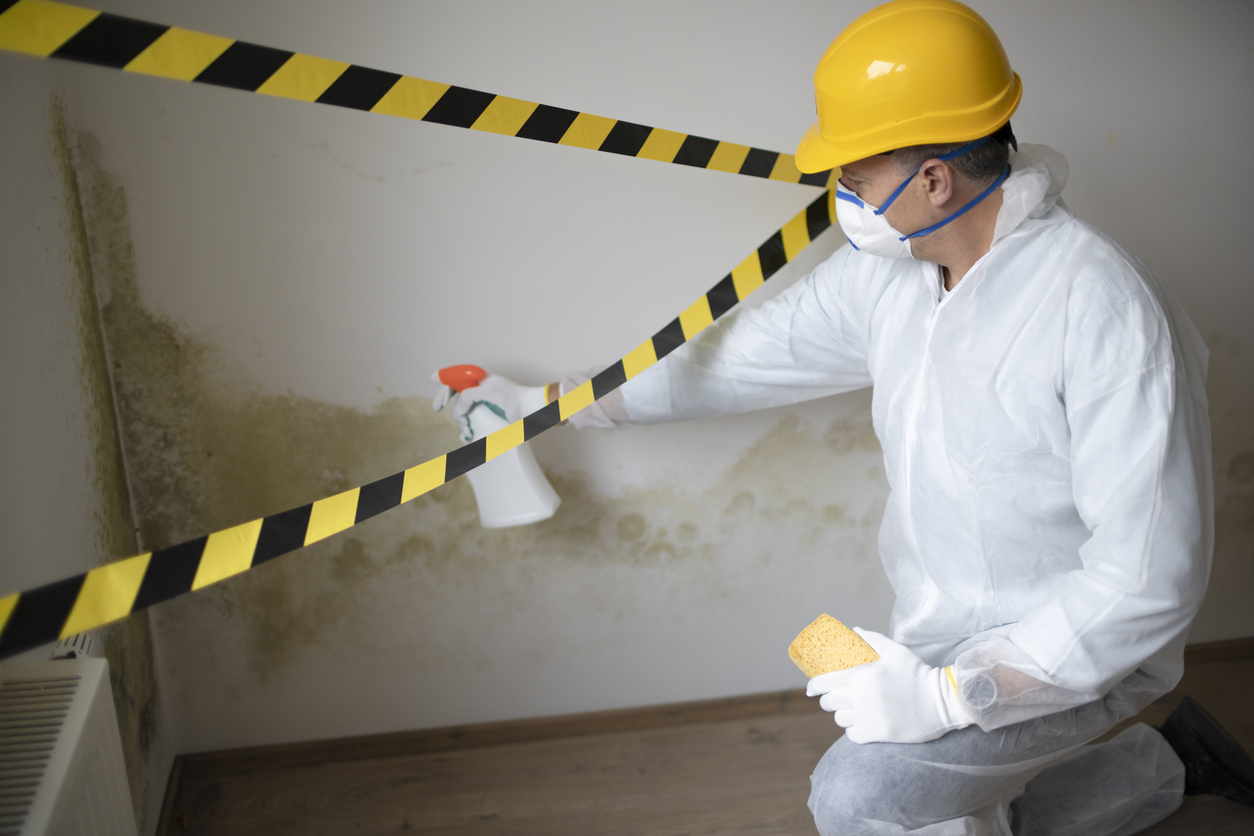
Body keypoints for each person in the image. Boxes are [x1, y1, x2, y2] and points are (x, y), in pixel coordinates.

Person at [440, 1, 1253, 832]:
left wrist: (948, 695)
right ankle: (1170, 763)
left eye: (855, 180)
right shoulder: (892, 278)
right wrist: (545, 408)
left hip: (1075, 653)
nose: (843, 201)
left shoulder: (1104, 309)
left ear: (934, 178)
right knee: (919, 775)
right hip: (934, 627)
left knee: (863, 798)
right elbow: (728, 362)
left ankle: (1083, 766)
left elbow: (1145, 585)